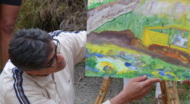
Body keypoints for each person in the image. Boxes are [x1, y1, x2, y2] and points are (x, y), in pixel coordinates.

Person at [0, 28, 161, 103]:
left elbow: (95, 40)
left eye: (56, 49)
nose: (61, 58)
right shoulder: (19, 92)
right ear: (32, 71)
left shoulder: (58, 41)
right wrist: (124, 97)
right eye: (52, 61)